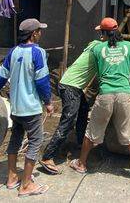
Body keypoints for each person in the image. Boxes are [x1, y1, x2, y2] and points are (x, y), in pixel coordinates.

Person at [69, 17, 130, 183]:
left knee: (92, 132)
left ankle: (81, 164)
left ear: (103, 33)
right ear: (117, 31)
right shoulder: (129, 47)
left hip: (105, 95)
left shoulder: (97, 49)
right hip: (124, 94)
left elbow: (95, 72)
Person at [0, 18, 54, 197]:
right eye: (39, 30)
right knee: (35, 142)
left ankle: (11, 178)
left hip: (16, 108)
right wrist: (48, 102)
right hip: (31, 108)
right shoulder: (38, 53)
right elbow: (42, 82)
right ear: (33, 34)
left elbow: (1, 75)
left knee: (15, 140)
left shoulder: (13, 51)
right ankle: (26, 184)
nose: (41, 33)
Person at [38, 39, 100, 174]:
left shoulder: (94, 44)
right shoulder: (100, 49)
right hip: (70, 87)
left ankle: (80, 141)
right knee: (68, 121)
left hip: (71, 85)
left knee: (83, 110)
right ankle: (47, 156)